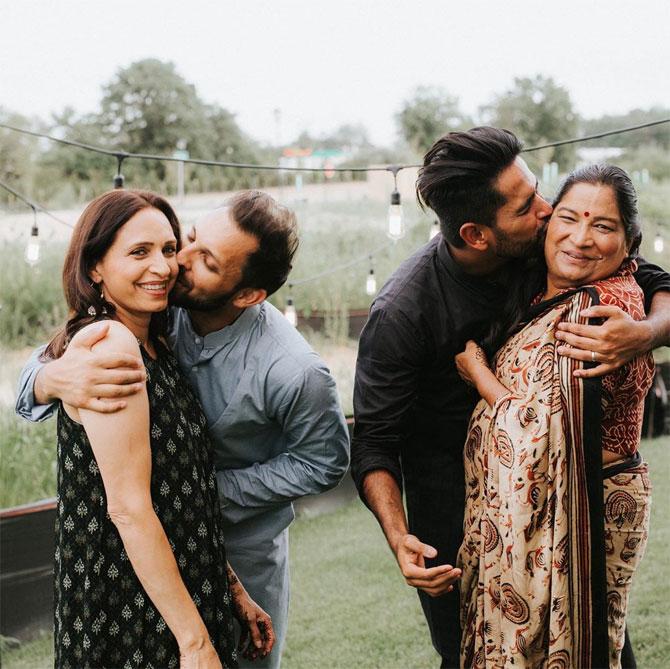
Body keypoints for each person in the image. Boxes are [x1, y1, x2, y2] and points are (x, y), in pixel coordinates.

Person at [350, 127, 670, 668]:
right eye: (529, 207)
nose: (551, 212)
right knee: (480, 653)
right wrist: (400, 536)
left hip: (569, 496)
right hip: (456, 511)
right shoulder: (403, 313)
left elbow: (647, 271)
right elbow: (374, 441)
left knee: (594, 645)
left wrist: (647, 333)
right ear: (477, 235)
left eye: (540, 191)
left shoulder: (546, 247)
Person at [16, 190, 350, 669]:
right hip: (130, 561)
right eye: (187, 240)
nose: (177, 264)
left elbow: (325, 462)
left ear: (247, 294)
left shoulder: (294, 369)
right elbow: (130, 505)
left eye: (204, 259)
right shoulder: (150, 311)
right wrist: (51, 378)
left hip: (241, 547)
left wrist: (212, 495)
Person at [455, 164, 655, 668]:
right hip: (546, 505)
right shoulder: (547, 292)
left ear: (629, 241)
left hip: (579, 507)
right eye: (569, 218)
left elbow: (535, 432)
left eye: (603, 226)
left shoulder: (595, 313)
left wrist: (479, 373)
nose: (581, 238)